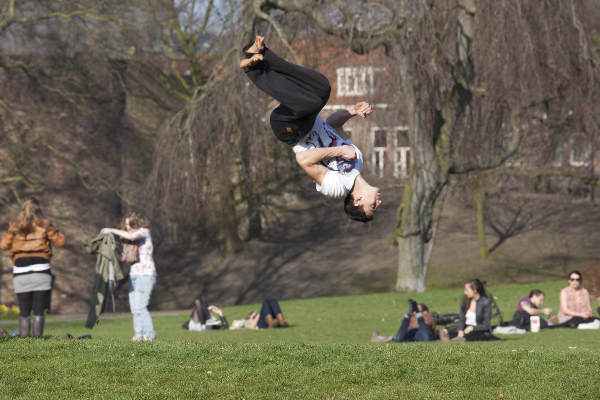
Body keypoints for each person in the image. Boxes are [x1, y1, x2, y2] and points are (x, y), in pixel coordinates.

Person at [241, 35, 382, 222]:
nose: (377, 203)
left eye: (372, 206)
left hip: (291, 131)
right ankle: (261, 53)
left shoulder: (337, 187)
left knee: (311, 104)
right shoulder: (358, 161)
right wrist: (352, 111)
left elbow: (303, 159)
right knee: (322, 88)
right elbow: (333, 124)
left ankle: (253, 70)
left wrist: (339, 150)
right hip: (305, 115)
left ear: (357, 200)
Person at [0, 197, 65, 337]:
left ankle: (24, 339)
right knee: (38, 310)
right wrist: (56, 230)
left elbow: (3, 245)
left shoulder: (15, 227)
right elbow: (60, 242)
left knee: (24, 310)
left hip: (20, 271)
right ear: (39, 209)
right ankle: (37, 340)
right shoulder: (46, 225)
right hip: (41, 269)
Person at [101, 212, 157, 341]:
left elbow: (131, 236)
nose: (127, 227)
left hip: (146, 275)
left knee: (140, 307)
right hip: (135, 275)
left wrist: (111, 230)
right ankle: (138, 334)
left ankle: (150, 334)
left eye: (129, 224)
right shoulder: (131, 236)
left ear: (137, 223)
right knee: (134, 308)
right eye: (126, 225)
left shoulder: (144, 232)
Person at [371, 299, 436, 343]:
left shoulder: (428, 316)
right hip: (411, 333)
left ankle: (410, 314)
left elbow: (430, 329)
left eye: (417, 311)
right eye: (414, 311)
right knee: (398, 339)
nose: (414, 314)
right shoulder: (413, 317)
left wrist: (420, 315)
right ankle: (408, 314)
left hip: (421, 333)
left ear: (425, 312)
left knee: (425, 338)